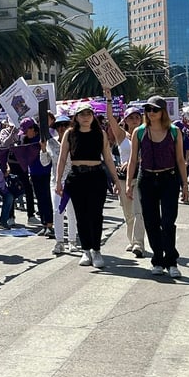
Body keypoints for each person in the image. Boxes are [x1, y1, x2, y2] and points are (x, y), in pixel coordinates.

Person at [126, 96, 189, 279]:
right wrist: (129, 183)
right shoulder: (140, 132)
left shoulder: (174, 131)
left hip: (169, 178)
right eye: (148, 110)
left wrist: (185, 185)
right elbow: (132, 160)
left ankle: (171, 261)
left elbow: (180, 160)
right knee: (151, 222)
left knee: (168, 222)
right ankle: (158, 259)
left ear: (163, 112)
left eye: (154, 110)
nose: (151, 113)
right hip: (146, 179)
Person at [55, 103, 122, 269]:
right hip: (76, 177)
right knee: (81, 215)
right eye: (82, 114)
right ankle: (85, 250)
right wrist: (58, 181)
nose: (85, 117)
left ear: (93, 116)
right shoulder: (70, 134)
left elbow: (108, 158)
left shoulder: (100, 133)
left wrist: (116, 180)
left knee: (96, 214)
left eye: (88, 113)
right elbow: (62, 159)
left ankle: (96, 250)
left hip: (96, 176)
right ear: (76, 117)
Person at [105, 102, 146, 258]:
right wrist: (108, 99)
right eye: (131, 117)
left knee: (139, 212)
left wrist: (134, 161)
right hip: (123, 178)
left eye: (137, 117)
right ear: (125, 120)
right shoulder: (122, 136)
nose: (134, 120)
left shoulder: (146, 134)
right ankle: (132, 239)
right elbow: (110, 118)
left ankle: (138, 244)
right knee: (128, 212)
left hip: (140, 176)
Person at [43, 115, 78, 255]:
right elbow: (44, 162)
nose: (62, 128)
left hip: (72, 180)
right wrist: (43, 149)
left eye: (64, 125)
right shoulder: (51, 143)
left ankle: (72, 241)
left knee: (72, 212)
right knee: (58, 211)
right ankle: (59, 242)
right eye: (59, 126)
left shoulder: (75, 141)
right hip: (56, 182)